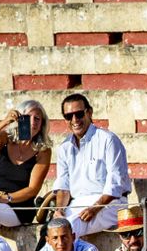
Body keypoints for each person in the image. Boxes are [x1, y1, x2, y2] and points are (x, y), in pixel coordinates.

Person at [50, 94, 131, 239]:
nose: (75, 120)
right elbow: (63, 186)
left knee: (65, 231)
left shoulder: (108, 139)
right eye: (69, 116)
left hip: (109, 204)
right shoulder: (64, 147)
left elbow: (115, 184)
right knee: (52, 229)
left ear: (89, 112)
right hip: (77, 204)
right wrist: (59, 210)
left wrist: (94, 208)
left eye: (79, 114)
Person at [0, 99, 52, 237]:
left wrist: (4, 198)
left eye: (37, 119)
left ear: (42, 123)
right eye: (27, 117)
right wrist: (5, 122)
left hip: (18, 208)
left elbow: (33, 190)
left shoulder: (42, 151)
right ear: (19, 119)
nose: (32, 122)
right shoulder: (5, 139)